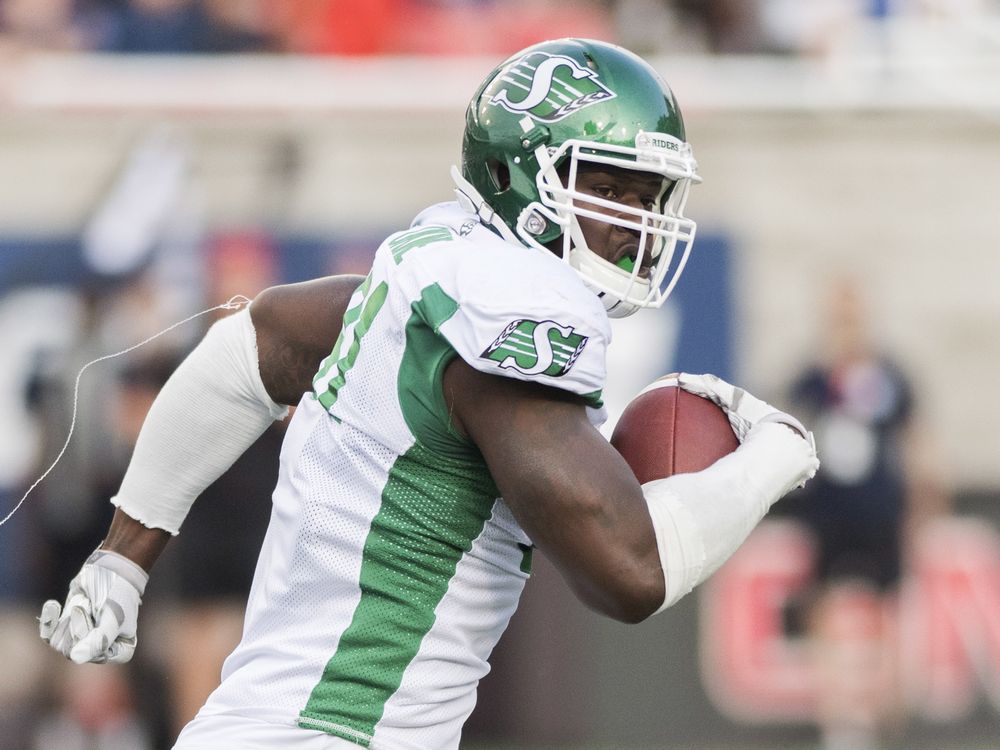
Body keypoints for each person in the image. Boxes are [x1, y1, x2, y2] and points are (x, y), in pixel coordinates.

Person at [39, 38, 819, 749]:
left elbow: (247, 348)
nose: (637, 226)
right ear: (521, 178)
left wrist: (123, 559)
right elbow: (629, 572)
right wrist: (774, 457)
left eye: (650, 196)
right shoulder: (507, 311)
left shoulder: (432, 271)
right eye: (610, 189)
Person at [779, 277, 946, 750]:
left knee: (888, 610)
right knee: (824, 608)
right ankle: (837, 718)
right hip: (828, 511)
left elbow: (914, 437)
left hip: (880, 510)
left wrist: (924, 498)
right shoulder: (815, 376)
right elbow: (787, 426)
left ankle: (889, 711)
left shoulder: (890, 375)